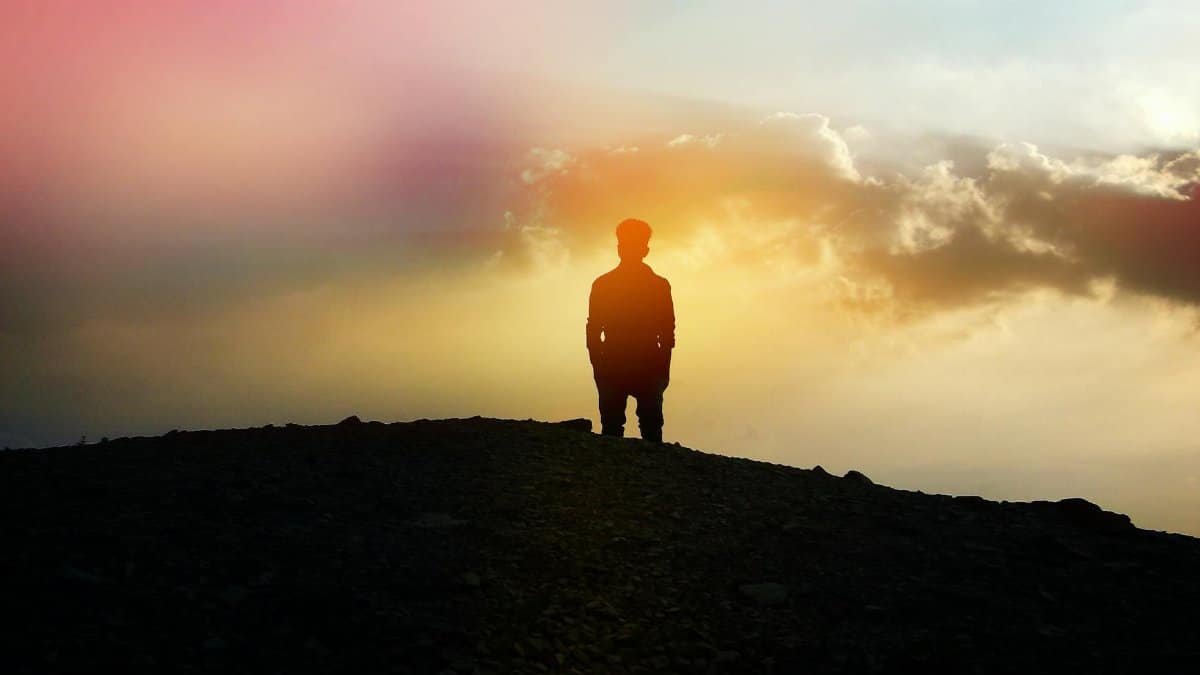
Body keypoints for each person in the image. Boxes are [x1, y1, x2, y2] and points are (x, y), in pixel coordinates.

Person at [586, 218, 675, 443]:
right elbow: (593, 329)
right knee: (629, 427)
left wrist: (598, 365)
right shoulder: (657, 285)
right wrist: (598, 365)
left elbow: (667, 332)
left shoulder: (605, 284)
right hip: (622, 363)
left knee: (631, 427)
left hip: (636, 364)